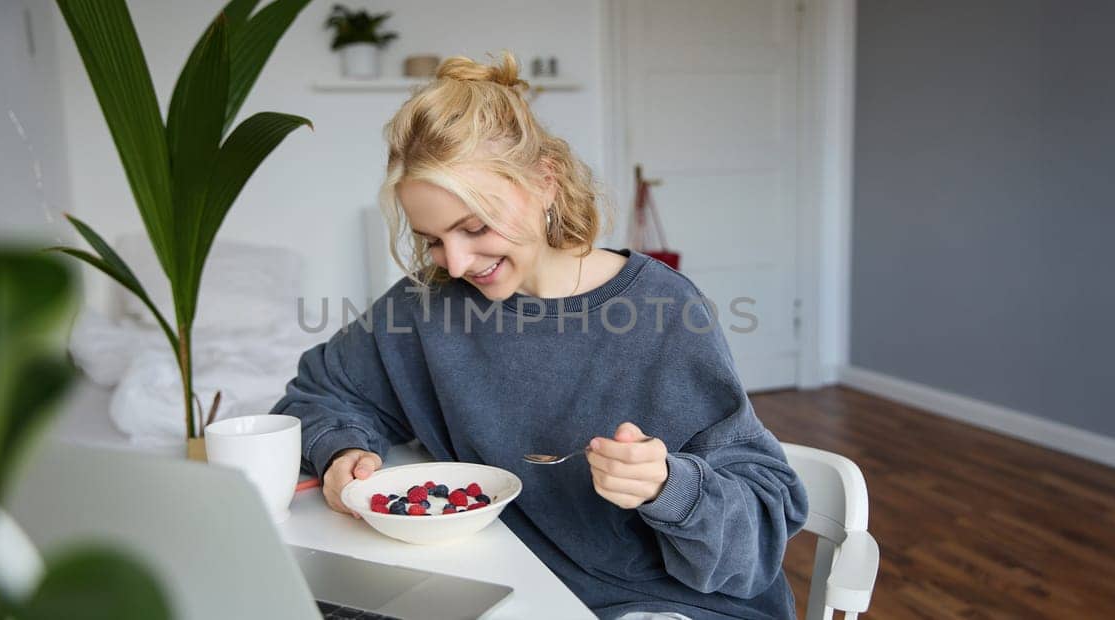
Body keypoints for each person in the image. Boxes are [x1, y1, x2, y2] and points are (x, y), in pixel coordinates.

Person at [272, 52, 808, 620]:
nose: (454, 263)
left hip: (662, 603)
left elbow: (760, 525)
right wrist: (344, 450)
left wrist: (667, 487)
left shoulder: (664, 310)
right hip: (501, 585)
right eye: (432, 240)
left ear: (545, 181)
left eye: (474, 227)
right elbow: (318, 394)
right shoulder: (425, 307)